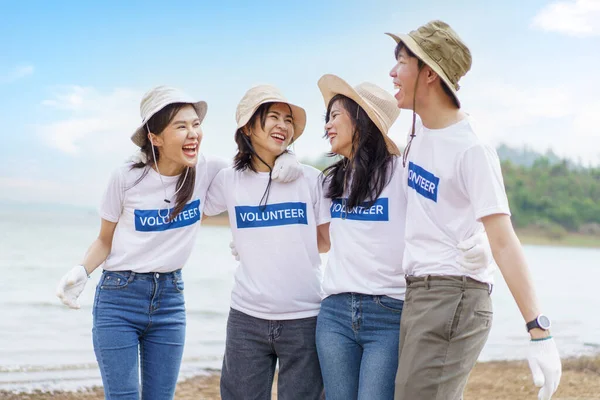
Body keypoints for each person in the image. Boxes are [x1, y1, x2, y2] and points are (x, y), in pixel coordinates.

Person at [55, 85, 302, 400]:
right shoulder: (127, 177)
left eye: (196, 125)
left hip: (170, 300)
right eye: (181, 126)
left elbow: (253, 176)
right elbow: (105, 240)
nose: (193, 134)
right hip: (119, 299)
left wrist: (288, 157)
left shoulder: (208, 170)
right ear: (155, 137)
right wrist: (80, 271)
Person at [386, 20, 562, 400]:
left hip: (455, 295)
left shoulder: (472, 148)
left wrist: (539, 330)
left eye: (401, 61)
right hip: (419, 293)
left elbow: (503, 241)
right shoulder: (417, 135)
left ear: (429, 73)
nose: (392, 71)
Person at [314, 74, 492, 400]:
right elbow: (319, 240)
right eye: (327, 118)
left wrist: (477, 238)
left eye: (335, 115)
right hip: (335, 315)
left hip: (388, 312)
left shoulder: (402, 172)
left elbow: (444, 206)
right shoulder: (329, 184)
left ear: (361, 119)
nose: (327, 125)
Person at [203, 85, 330, 400]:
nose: (283, 126)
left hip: (305, 315)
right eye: (273, 117)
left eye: (288, 120)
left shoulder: (312, 180)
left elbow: (326, 242)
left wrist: (283, 239)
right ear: (248, 127)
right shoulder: (228, 180)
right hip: (247, 317)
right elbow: (193, 210)